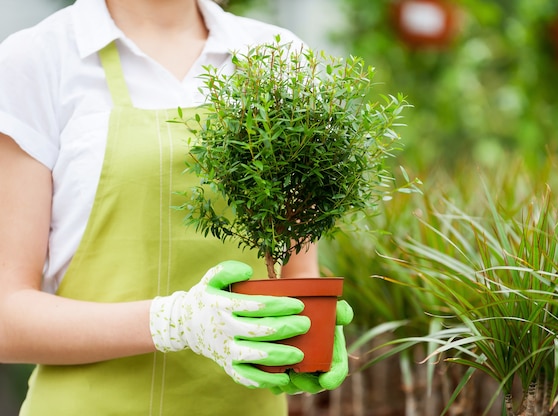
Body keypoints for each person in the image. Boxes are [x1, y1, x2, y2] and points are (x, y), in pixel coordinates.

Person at [0, 0, 352, 414]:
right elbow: (7, 315)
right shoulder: (39, 59)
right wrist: (174, 321)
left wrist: (307, 335)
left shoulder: (279, 57)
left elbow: (296, 274)